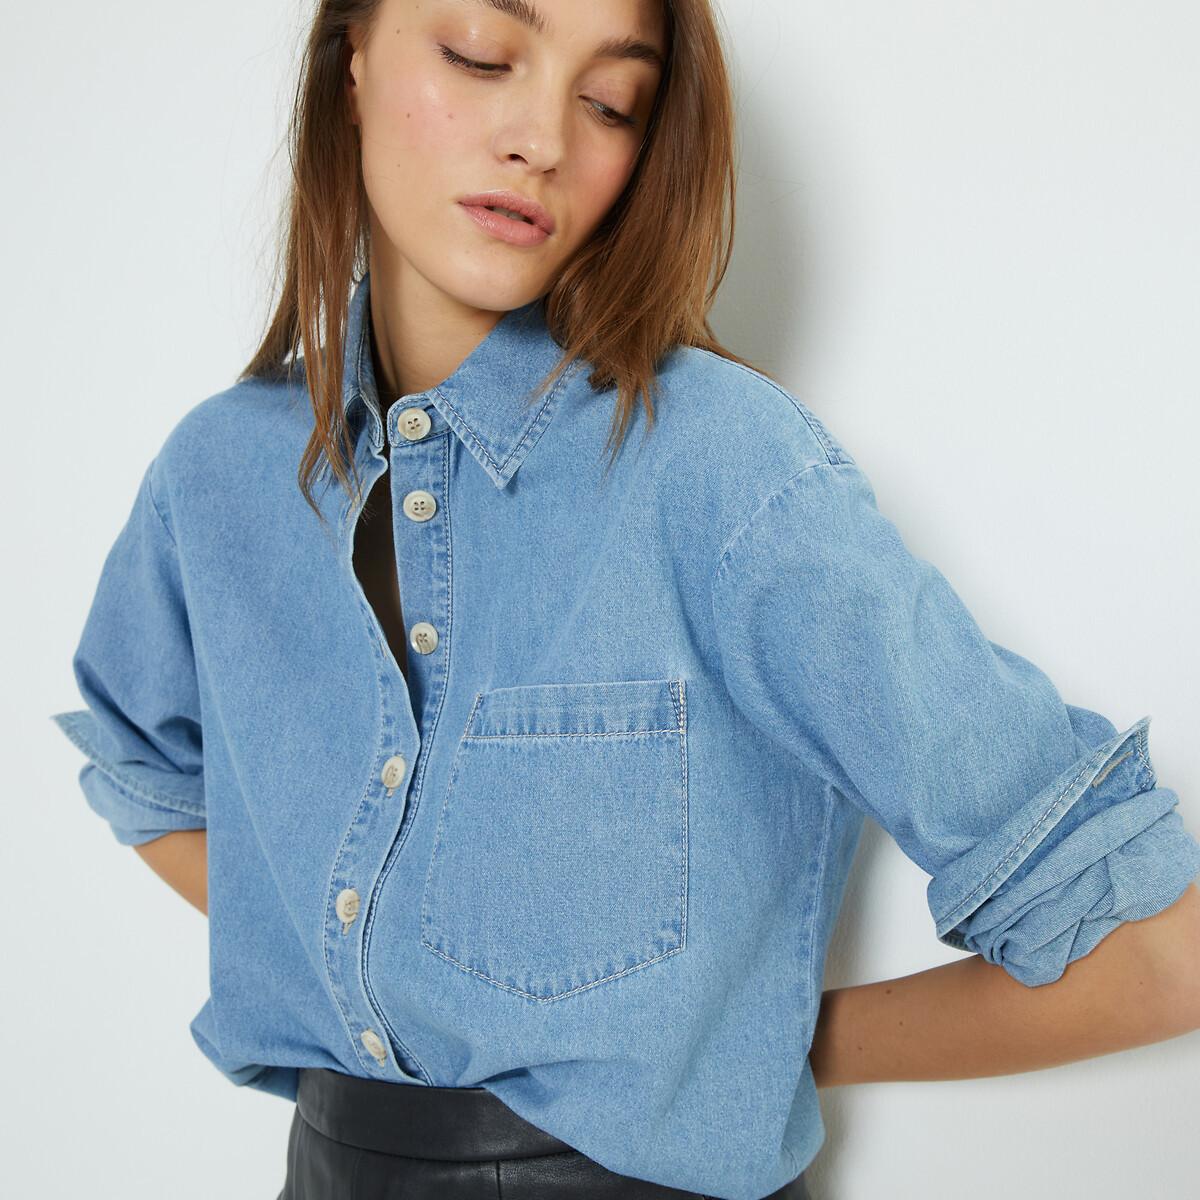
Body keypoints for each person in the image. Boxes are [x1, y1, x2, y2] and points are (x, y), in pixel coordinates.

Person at [48, 1, 1200, 1198]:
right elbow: (145, 777)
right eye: (481, 56)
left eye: (610, 103)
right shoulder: (218, 474)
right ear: (351, 62)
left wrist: (743, 1040)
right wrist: (376, 957)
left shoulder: (721, 470)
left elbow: (1160, 958)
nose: (543, 139)